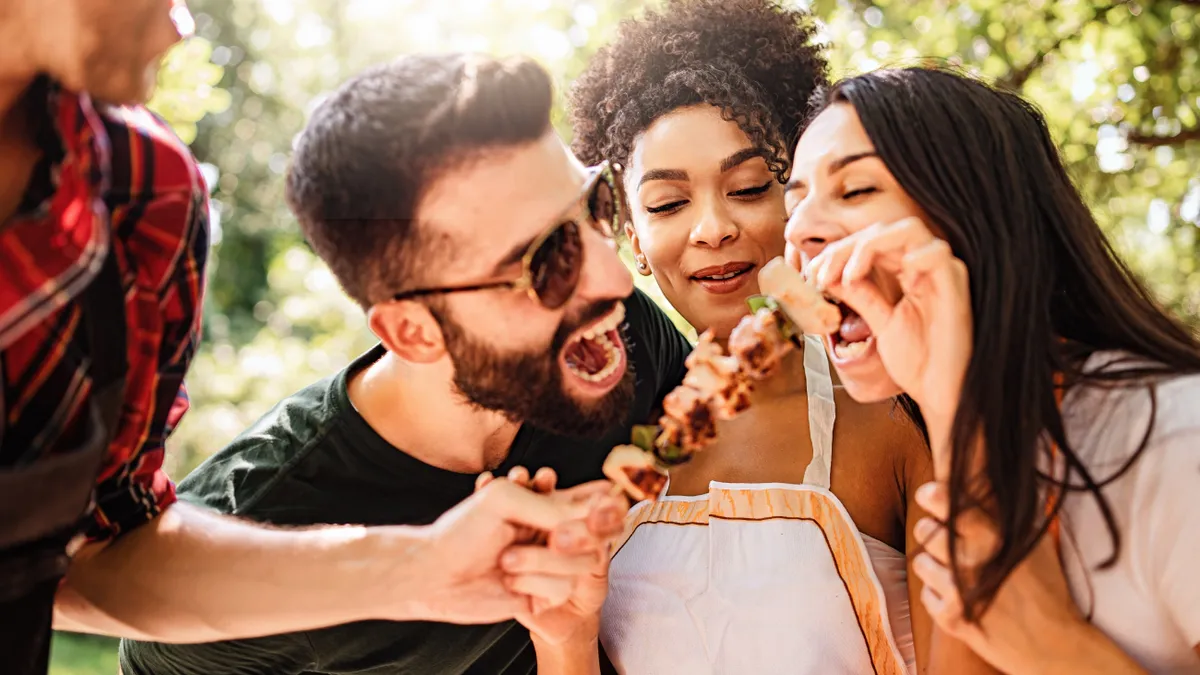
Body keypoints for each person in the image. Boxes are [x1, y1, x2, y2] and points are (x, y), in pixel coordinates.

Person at [1, 3, 629, 674]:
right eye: (546, 261)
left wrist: (422, 567)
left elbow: (89, 558)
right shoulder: (285, 481)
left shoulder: (140, 192)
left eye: (597, 207)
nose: (177, 27)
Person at [120, 52, 692, 675]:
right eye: (547, 261)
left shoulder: (617, 339)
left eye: (595, 206)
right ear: (414, 333)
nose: (612, 277)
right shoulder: (253, 533)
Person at [567, 2, 988, 672]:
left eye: (750, 186)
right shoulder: (613, 438)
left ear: (800, 200)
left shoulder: (900, 410)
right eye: (669, 203)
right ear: (634, 242)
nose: (712, 228)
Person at [791, 67, 1200, 673]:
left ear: (974, 213)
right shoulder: (966, 444)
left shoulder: (1175, 439)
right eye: (793, 205)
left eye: (855, 191)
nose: (797, 232)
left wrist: (1053, 644)